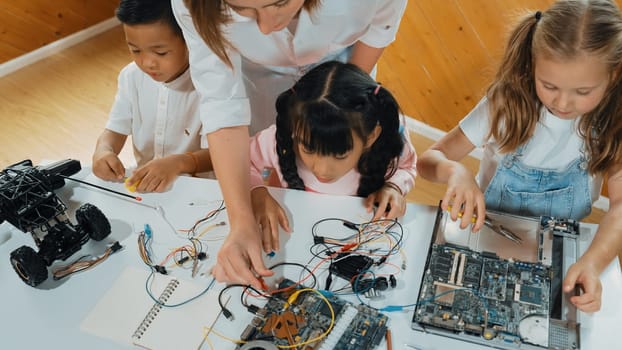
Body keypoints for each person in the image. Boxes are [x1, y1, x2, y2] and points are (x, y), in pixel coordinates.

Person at [171, 0, 408, 289]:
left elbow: (376, 33)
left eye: (280, 3)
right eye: (242, 11)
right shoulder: (272, 140)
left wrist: (337, 115)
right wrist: (241, 219)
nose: (267, 27)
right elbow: (223, 107)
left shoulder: (376, 140)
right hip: (261, 85)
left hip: (344, 86)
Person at [416, 0, 622, 313]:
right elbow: (429, 159)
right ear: (533, 64)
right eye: (549, 85)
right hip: (486, 240)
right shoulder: (505, 103)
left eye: (583, 91)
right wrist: (456, 172)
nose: (563, 102)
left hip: (559, 253)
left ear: (614, 74)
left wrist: (592, 264)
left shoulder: (612, 121)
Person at [249, 61, 417, 250]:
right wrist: (257, 191)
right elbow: (242, 161)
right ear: (295, 129)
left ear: (371, 137)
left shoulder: (389, 144)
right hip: (289, 238)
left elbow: (407, 167)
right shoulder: (277, 141)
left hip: (355, 243)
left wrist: (393, 187)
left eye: (339, 154)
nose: (322, 169)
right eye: (308, 149)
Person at [92, 0, 211, 193]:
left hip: (197, 189)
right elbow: (114, 130)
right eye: (135, 50)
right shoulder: (131, 76)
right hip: (146, 187)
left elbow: (222, 154)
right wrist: (103, 150)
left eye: (160, 52)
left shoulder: (210, 85)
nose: (147, 62)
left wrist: (179, 163)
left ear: (190, 38)